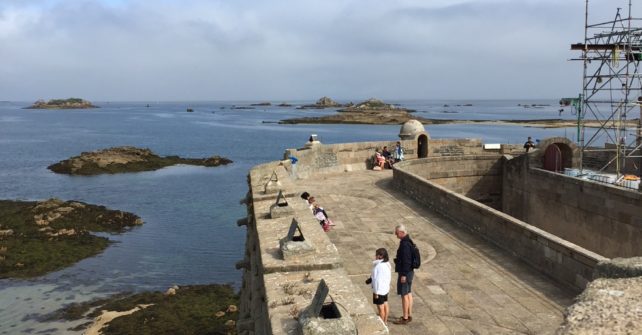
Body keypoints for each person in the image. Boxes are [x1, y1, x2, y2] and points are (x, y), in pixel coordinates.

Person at [393, 224, 413, 325]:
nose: (396, 235)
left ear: (401, 232)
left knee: (404, 294)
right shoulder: (409, 241)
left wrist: (403, 275)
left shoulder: (405, 244)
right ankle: (409, 314)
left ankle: (405, 318)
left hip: (405, 272)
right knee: (409, 293)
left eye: (396, 233)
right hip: (410, 272)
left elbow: (406, 261)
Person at [366, 248, 391, 325]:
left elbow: (377, 280)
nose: (375, 256)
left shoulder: (378, 266)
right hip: (385, 288)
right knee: (385, 304)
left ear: (380, 256)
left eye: (376, 255)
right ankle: (385, 321)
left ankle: (382, 324)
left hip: (379, 290)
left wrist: (376, 292)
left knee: (380, 308)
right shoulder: (387, 264)